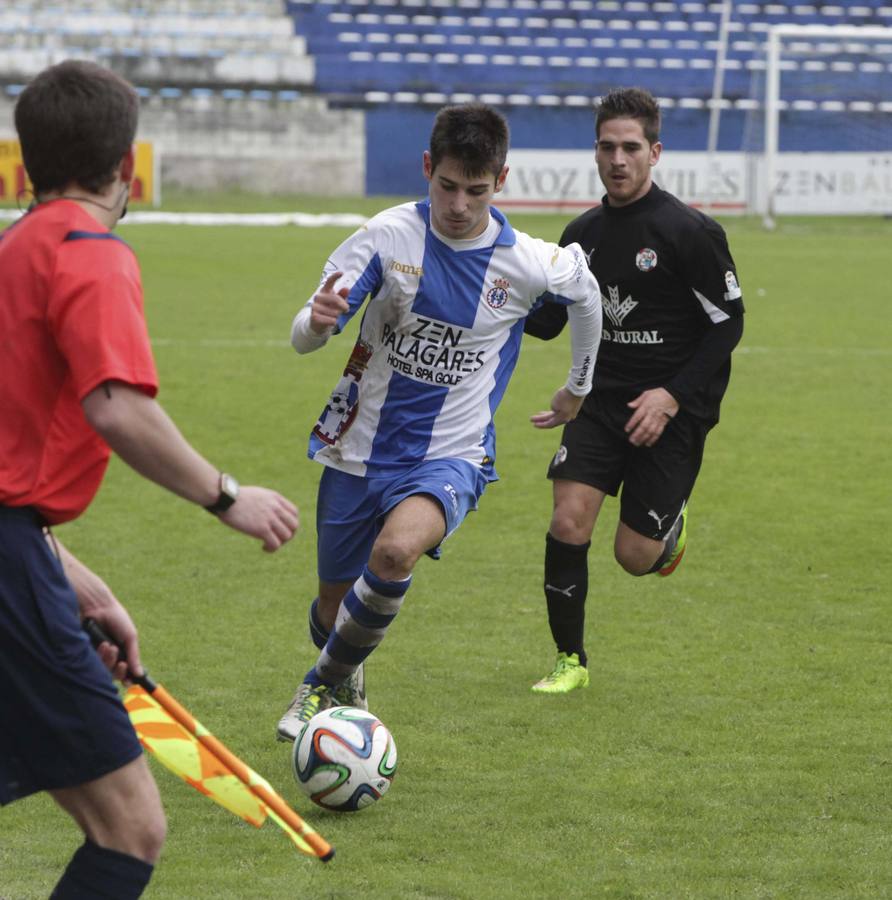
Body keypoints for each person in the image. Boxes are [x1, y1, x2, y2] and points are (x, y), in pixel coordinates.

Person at [0, 60, 299, 899]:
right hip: (10, 564)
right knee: (129, 829)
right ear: (126, 169)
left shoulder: (14, 249)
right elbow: (116, 408)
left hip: (21, 556)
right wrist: (228, 497)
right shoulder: (90, 253)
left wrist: (79, 589)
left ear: (27, 164)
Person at [276, 102, 602, 741]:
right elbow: (303, 339)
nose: (459, 203)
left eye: (476, 190)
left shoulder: (528, 260)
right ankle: (346, 673)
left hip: (452, 453)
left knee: (396, 550)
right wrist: (314, 323)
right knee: (332, 607)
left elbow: (586, 293)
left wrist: (577, 388)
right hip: (357, 446)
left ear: (501, 181)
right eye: (447, 185)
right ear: (428, 167)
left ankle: (314, 690)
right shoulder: (386, 237)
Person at [523, 87, 745, 694]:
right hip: (599, 404)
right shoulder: (582, 234)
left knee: (634, 557)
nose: (617, 159)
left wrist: (671, 396)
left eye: (629, 148)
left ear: (654, 152)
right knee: (569, 520)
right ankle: (570, 661)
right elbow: (546, 321)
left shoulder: (689, 231)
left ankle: (667, 526)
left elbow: (730, 323)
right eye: (606, 147)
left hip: (673, 410)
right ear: (595, 152)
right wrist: (494, 288)